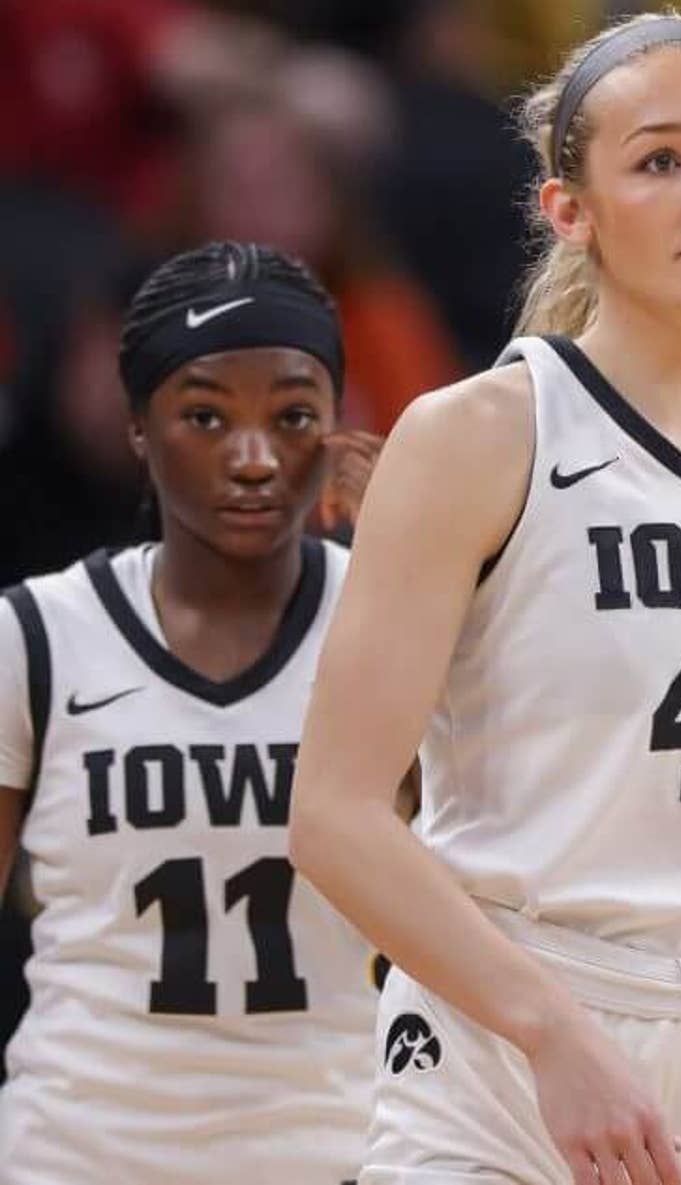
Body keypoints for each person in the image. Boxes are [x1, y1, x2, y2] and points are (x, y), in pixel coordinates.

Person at [288, 13, 681, 1185]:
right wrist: (549, 1034)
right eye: (661, 160)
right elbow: (333, 814)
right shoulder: (479, 435)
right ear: (570, 210)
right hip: (511, 1051)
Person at [0, 239, 382, 1182]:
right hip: (78, 1156)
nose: (253, 458)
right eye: (205, 415)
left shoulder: (395, 627)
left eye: (293, 416)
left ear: (339, 426)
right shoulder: (34, 636)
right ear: (137, 425)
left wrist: (420, 554)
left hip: (338, 1152)